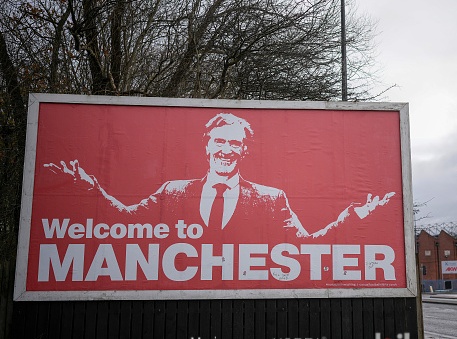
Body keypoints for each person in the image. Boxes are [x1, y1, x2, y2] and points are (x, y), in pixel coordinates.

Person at [44, 113, 395, 241]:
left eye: (235, 144)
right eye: (220, 141)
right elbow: (127, 224)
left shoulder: (272, 198)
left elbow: (306, 247)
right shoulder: (175, 191)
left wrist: (354, 216)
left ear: (244, 151)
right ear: (207, 145)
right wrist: (91, 188)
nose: (226, 149)